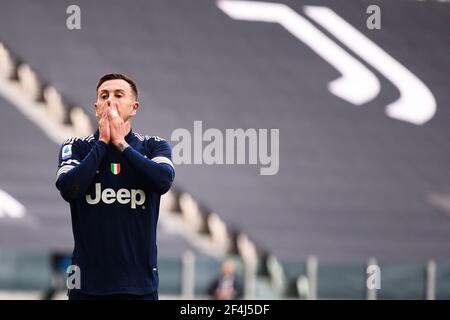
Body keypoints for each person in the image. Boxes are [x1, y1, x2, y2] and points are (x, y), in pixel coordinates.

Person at [55, 73, 175, 300]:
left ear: (134, 107)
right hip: (85, 285)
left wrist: (121, 144)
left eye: (119, 95)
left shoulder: (153, 146)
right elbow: (69, 189)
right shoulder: (76, 147)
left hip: (139, 285)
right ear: (97, 107)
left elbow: (163, 181)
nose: (110, 101)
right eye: (104, 96)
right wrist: (102, 143)